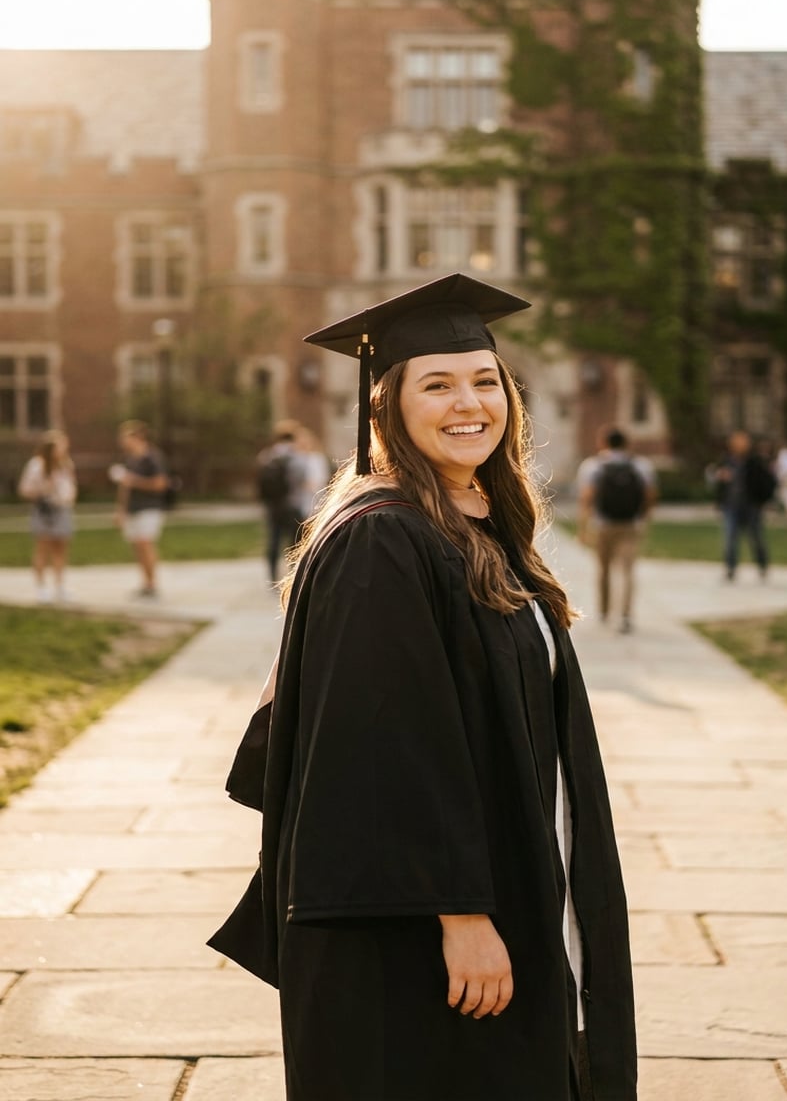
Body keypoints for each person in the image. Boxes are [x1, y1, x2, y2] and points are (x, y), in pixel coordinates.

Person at [210, 273, 637, 1101]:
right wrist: (463, 916)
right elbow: (382, 745)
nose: (468, 403)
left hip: (508, 874)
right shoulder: (382, 540)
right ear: (387, 411)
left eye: (484, 381)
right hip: (429, 921)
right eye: (436, 385)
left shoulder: (471, 523)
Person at [576, 427, 656, 633]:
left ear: (603, 443)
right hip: (630, 524)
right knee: (627, 571)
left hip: (602, 525)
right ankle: (625, 615)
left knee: (603, 569)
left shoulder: (593, 466)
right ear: (626, 443)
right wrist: (644, 518)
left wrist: (583, 527)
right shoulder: (641, 465)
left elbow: (586, 497)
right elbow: (650, 495)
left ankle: (604, 611)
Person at [17, 429, 78, 603]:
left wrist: (70, 497)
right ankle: (41, 587)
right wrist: (43, 491)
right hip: (44, 510)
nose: (63, 449)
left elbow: (72, 486)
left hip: (62, 509)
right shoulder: (36, 465)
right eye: (60, 446)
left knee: (60, 549)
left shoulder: (66, 464)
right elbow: (24, 490)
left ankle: (60, 586)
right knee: (42, 548)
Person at [110, 420, 169, 599]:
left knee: (146, 543)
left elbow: (161, 484)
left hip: (149, 508)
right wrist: (120, 510)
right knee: (137, 546)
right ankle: (145, 583)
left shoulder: (152, 457)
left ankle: (153, 584)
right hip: (132, 509)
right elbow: (124, 486)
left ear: (138, 437)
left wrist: (134, 481)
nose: (123, 442)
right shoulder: (129, 459)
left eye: (126, 438)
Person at [709, 430, 776, 581]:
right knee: (730, 538)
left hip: (751, 505)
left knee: (756, 538)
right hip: (731, 505)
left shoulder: (754, 462)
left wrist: (762, 500)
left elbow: (768, 482)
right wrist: (720, 490)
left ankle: (762, 564)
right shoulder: (726, 461)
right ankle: (730, 568)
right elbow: (717, 482)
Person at [256, 420, 312, 583]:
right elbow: (301, 480)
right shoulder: (297, 457)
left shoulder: (267, 455)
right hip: (292, 504)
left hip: (273, 505)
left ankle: (272, 575)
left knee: (274, 540)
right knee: (294, 542)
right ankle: (293, 574)